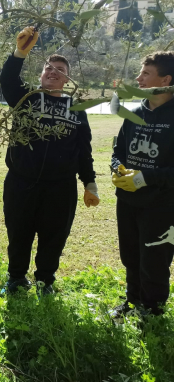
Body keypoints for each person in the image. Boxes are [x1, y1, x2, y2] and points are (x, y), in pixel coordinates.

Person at [0, 27, 98, 296]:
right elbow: (7, 79)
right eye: (48, 68)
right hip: (21, 183)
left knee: (54, 237)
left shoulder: (76, 109)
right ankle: (16, 279)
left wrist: (90, 183)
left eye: (60, 69)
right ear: (41, 74)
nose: (53, 71)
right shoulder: (26, 98)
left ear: (67, 79)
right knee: (18, 234)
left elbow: (83, 149)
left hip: (61, 187)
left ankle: (45, 280)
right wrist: (19, 53)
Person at [110, 51, 174, 317]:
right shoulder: (136, 112)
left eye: (146, 74)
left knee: (155, 259)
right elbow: (119, 150)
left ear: (166, 79)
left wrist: (145, 178)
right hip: (128, 201)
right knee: (131, 256)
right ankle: (133, 301)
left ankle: (152, 310)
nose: (139, 79)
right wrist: (117, 169)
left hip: (161, 205)